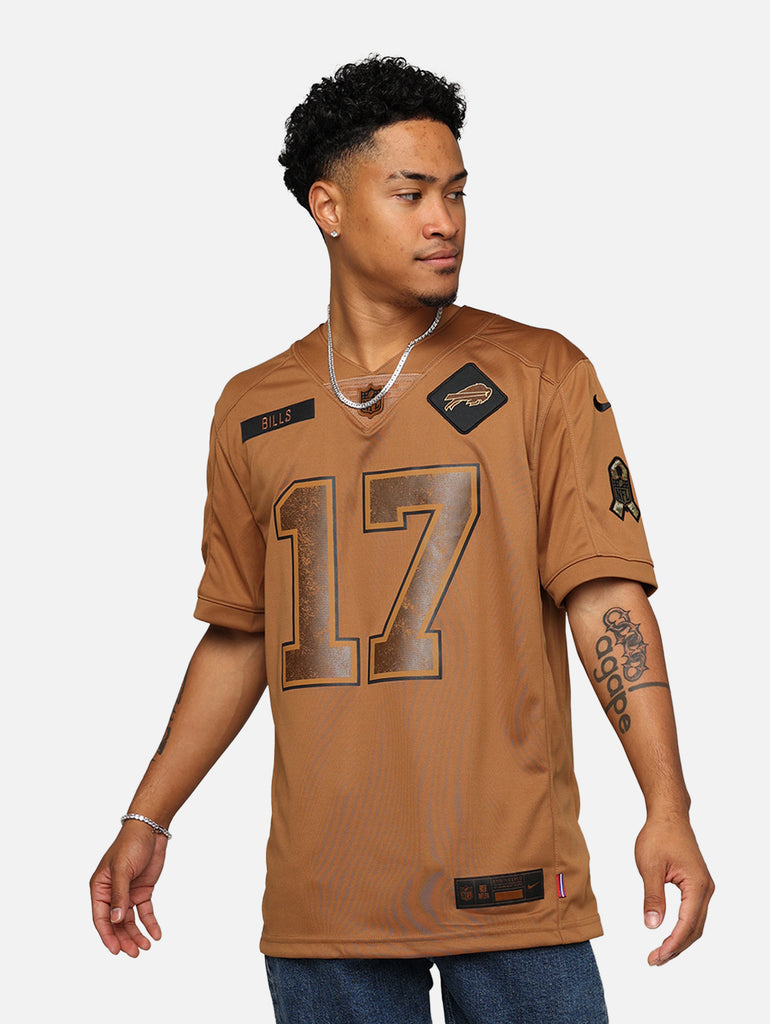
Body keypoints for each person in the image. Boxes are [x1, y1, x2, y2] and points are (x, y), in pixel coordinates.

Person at [90, 55, 713, 1023]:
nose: (444, 220)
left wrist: (665, 803)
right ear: (328, 207)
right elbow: (244, 633)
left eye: (456, 193)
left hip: (514, 891)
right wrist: (147, 813)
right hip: (324, 907)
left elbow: (604, 597)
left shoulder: (540, 373)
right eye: (412, 193)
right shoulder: (251, 407)